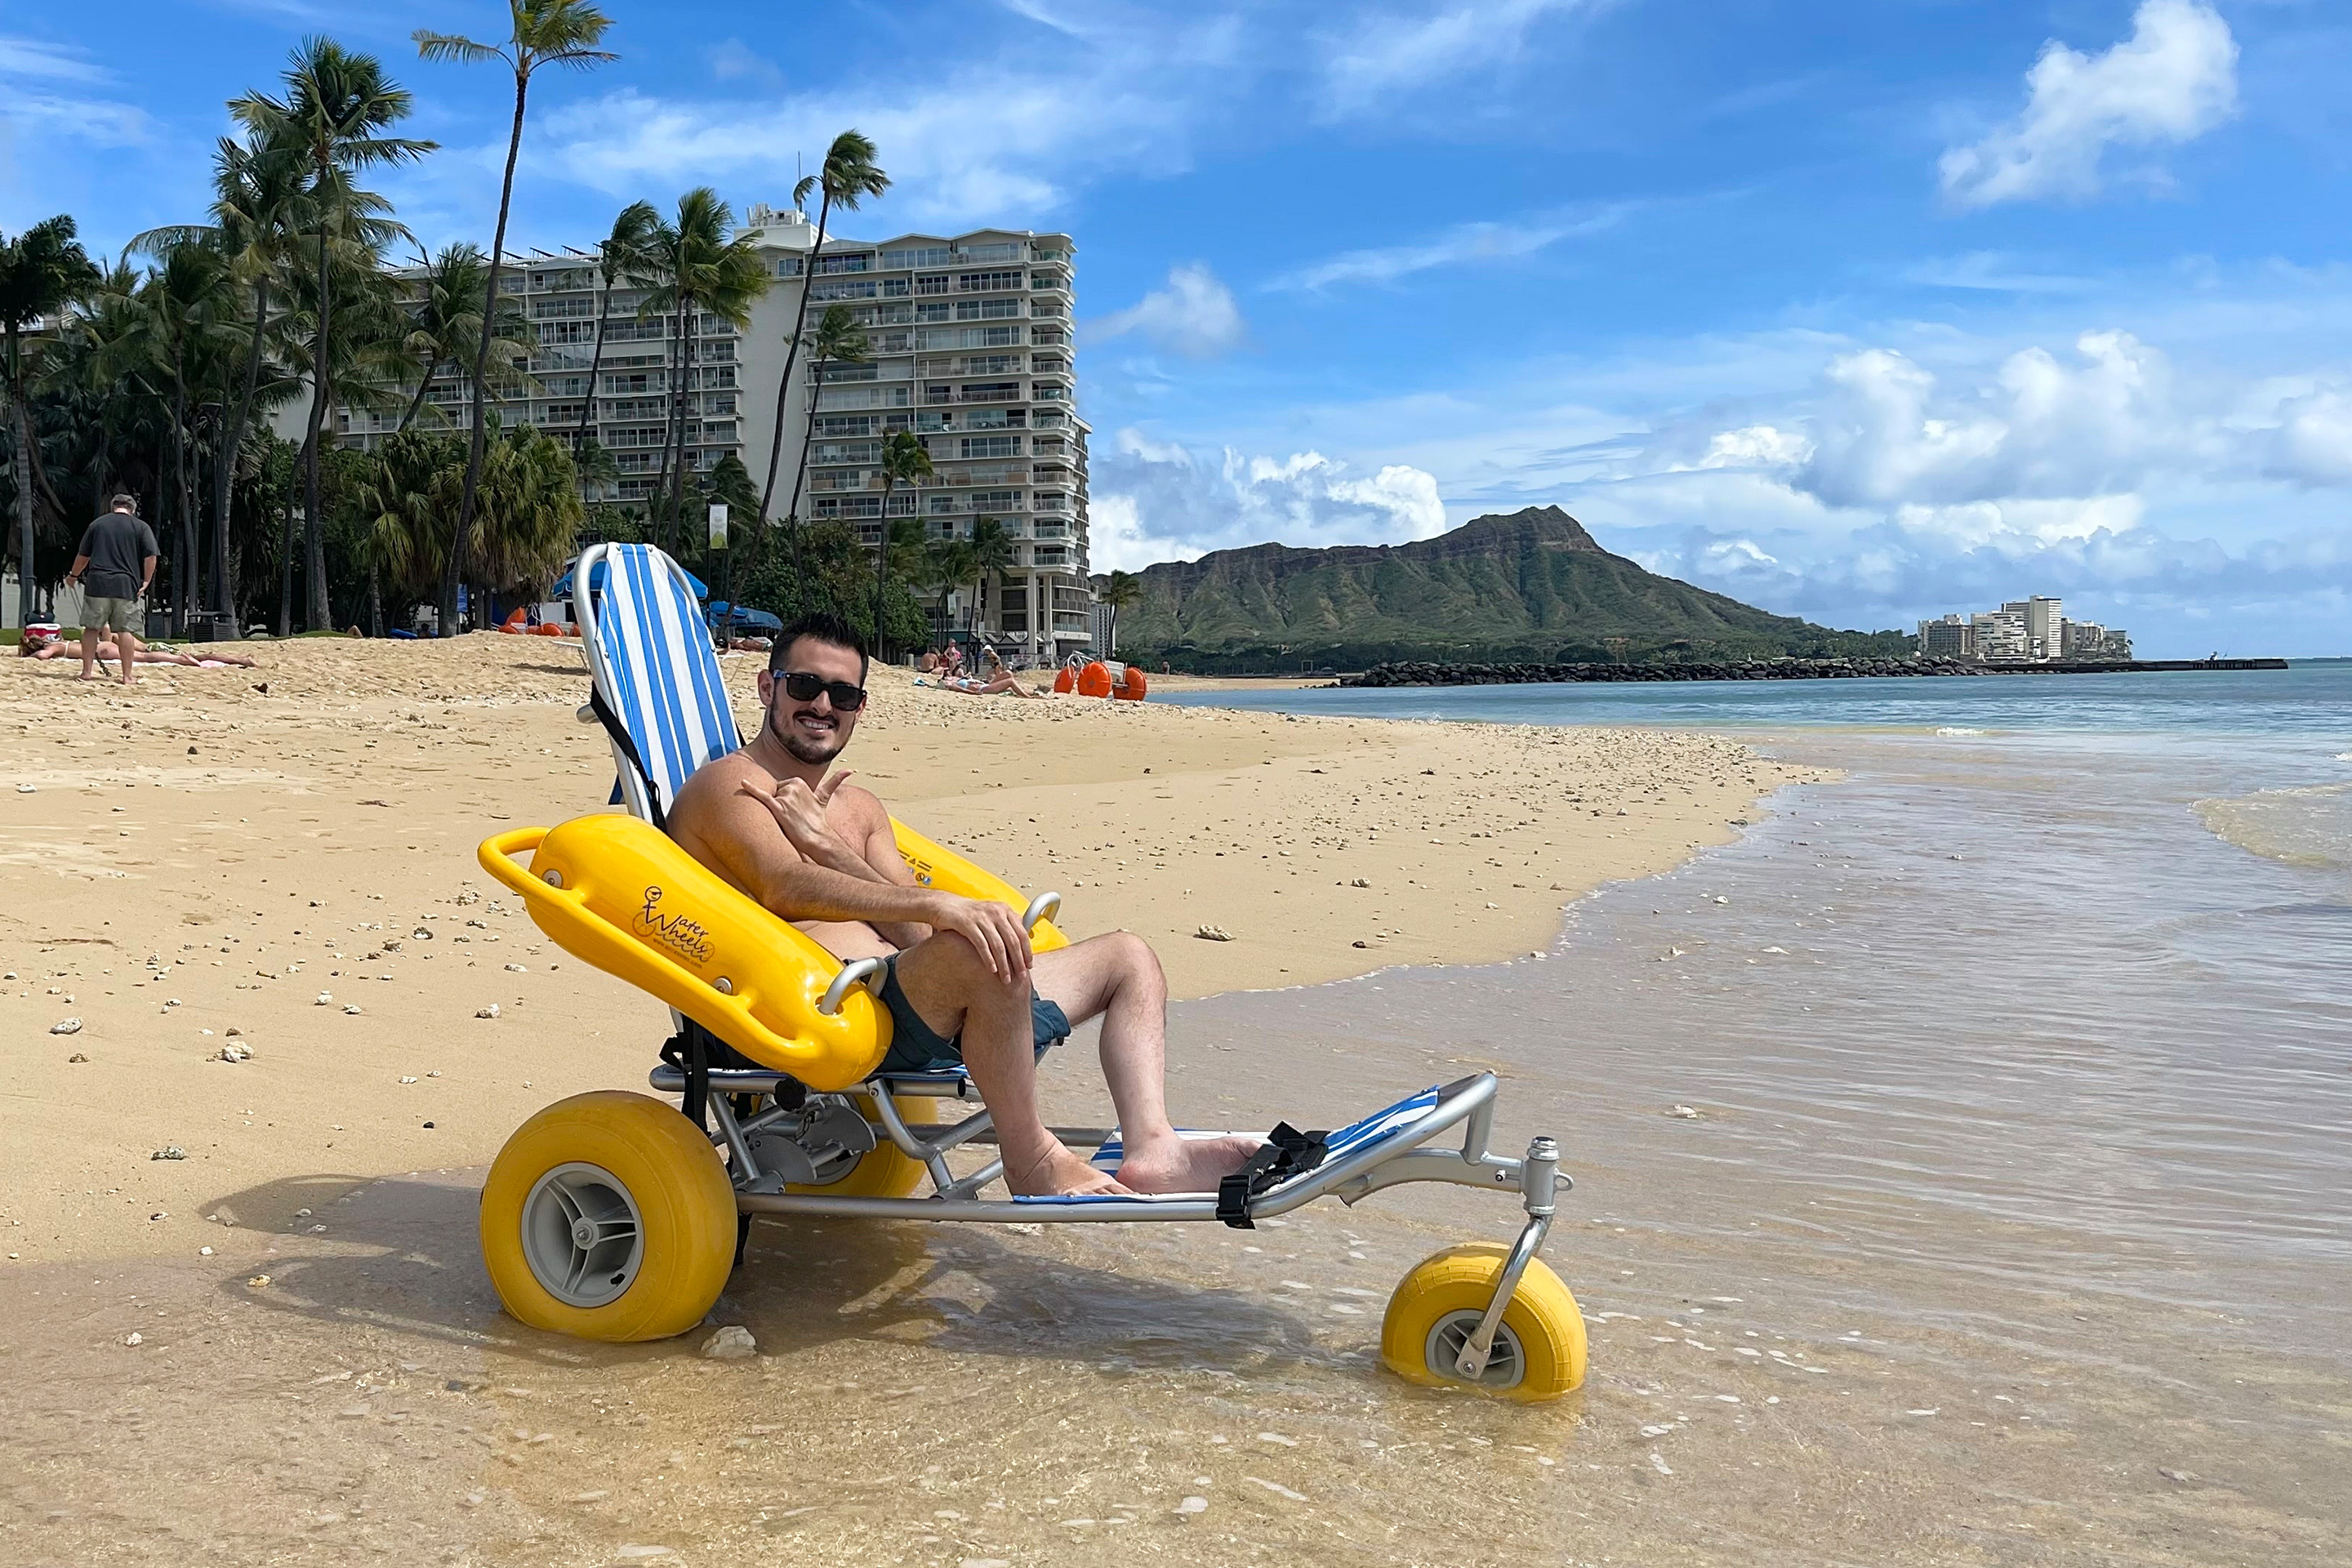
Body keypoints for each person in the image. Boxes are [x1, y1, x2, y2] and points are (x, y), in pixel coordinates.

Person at [668, 612, 1258, 1197]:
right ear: (768, 688)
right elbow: (783, 886)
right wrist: (941, 906)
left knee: (1129, 958)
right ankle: (1031, 1157)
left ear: (860, 708)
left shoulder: (860, 807)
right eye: (806, 686)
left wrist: (829, 845)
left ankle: (1153, 1148)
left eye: (842, 693)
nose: (823, 705)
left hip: (914, 997)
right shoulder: (731, 786)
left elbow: (913, 938)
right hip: (826, 1012)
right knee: (975, 950)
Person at [64, 495, 158, 687]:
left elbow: (83, 556)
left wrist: (73, 576)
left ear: (113, 507)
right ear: (132, 509)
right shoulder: (141, 527)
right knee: (125, 631)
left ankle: (86, 672)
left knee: (91, 628)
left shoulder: (97, 525)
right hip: (125, 584)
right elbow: (151, 557)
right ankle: (127, 676)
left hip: (98, 582)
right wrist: (146, 580)